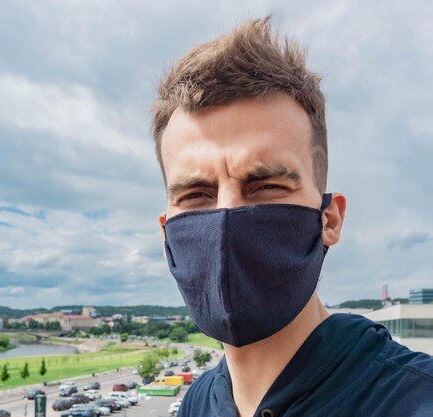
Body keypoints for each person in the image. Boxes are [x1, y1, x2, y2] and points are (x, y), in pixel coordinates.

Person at [151, 17, 433, 417]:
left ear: (329, 220)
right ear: (167, 237)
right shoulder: (197, 403)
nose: (227, 215)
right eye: (196, 194)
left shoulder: (415, 400)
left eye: (266, 186)